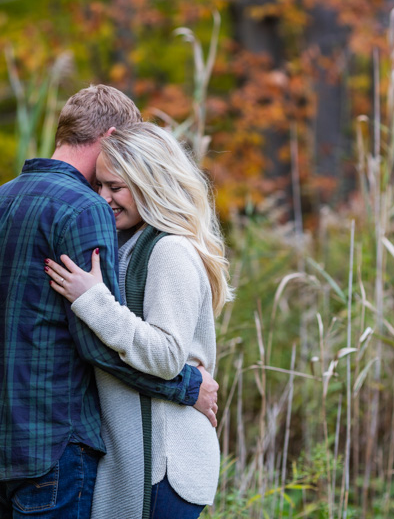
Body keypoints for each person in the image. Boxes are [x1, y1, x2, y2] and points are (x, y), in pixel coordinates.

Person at [0, 85, 219, 518]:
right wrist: (187, 386)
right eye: (106, 181)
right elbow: (93, 346)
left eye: (116, 186)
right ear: (112, 135)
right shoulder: (82, 208)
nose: (104, 194)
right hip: (51, 444)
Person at [44, 122, 232, 519]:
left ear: (151, 183)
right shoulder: (130, 245)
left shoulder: (169, 251)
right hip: (136, 464)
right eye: (99, 186)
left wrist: (93, 300)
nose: (103, 198)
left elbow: (166, 355)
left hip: (163, 464)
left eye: (116, 187)